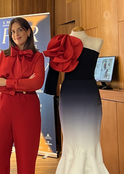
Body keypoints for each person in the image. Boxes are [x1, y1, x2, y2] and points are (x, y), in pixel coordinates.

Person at [44, 26, 109, 174]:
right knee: (71, 137)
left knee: (90, 137)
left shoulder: (97, 41)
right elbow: (53, 69)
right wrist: (50, 89)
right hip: (69, 95)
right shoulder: (61, 42)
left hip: (89, 95)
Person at [0, 17, 45, 174]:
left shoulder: (38, 57)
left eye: (19, 29)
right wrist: (23, 84)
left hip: (27, 111)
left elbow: (37, 83)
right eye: (12, 31)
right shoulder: (4, 55)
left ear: (28, 31)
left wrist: (6, 82)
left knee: (26, 159)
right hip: (4, 108)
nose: (15, 34)